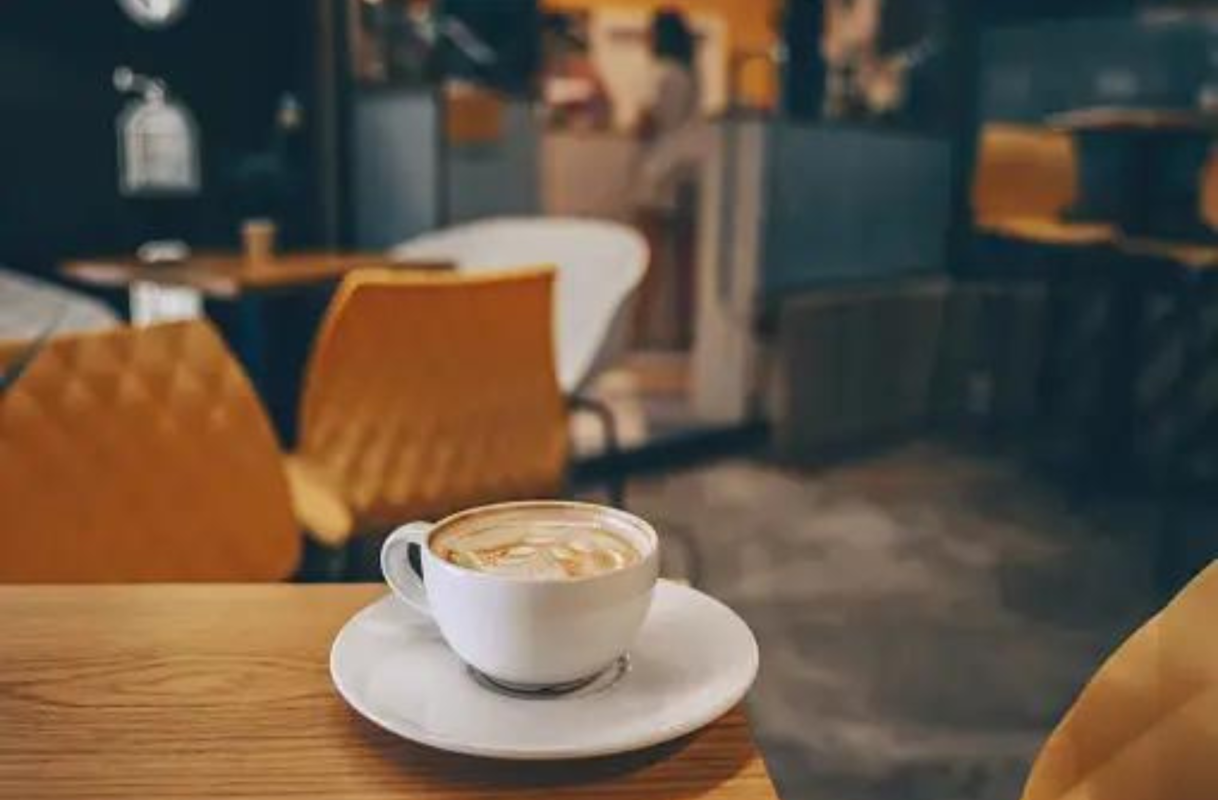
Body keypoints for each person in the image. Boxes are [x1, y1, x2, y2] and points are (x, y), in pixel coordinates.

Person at [633, 8, 705, 349]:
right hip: (686, 174)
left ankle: (639, 332)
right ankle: (685, 334)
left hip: (657, 174)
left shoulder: (659, 74)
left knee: (647, 260)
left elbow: (645, 123)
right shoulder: (691, 77)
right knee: (685, 265)